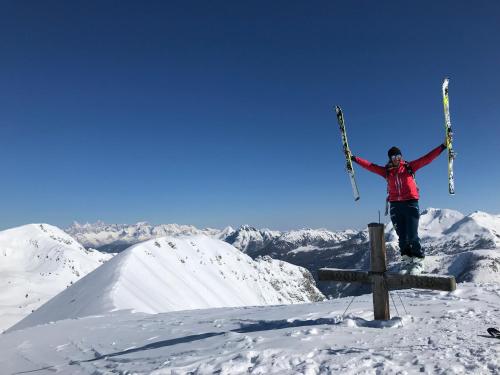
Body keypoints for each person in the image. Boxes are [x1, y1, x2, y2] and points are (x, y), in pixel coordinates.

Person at [350, 143, 447, 275]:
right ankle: (407, 260)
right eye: (394, 156)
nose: (397, 158)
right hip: (395, 205)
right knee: (401, 236)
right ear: (390, 158)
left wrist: (443, 146)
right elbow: (370, 166)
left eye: (398, 155)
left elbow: (427, 158)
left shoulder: (409, 167)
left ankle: (418, 261)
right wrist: (354, 158)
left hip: (411, 203)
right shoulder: (387, 172)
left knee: (412, 234)